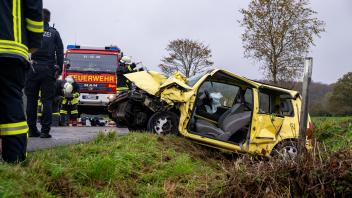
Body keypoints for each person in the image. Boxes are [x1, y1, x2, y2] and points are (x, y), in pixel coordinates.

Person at [0, 0, 43, 163]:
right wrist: (34, 43)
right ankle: (15, 160)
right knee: (11, 103)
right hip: (10, 49)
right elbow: (34, 11)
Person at [25, 8, 64, 138]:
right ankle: (45, 131)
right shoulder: (54, 33)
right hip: (48, 70)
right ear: (49, 19)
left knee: (31, 100)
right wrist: (59, 69)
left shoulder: (30, 31)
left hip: (33, 68)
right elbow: (59, 52)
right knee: (47, 100)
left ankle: (32, 129)